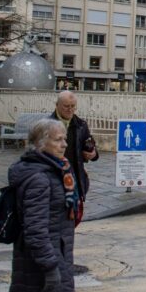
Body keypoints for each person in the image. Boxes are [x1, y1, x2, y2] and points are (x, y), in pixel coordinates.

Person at [0, 119, 77, 292]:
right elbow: (35, 230)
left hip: (49, 258)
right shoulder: (40, 179)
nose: (64, 144)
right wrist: (50, 267)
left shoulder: (56, 170)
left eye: (64, 139)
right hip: (44, 264)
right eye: (59, 140)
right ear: (42, 143)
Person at [50, 91, 97, 220]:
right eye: (66, 106)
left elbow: (90, 144)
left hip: (75, 176)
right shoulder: (47, 125)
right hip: (54, 176)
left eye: (73, 106)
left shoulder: (81, 124)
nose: (70, 109)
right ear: (57, 105)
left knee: (74, 217)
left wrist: (92, 153)